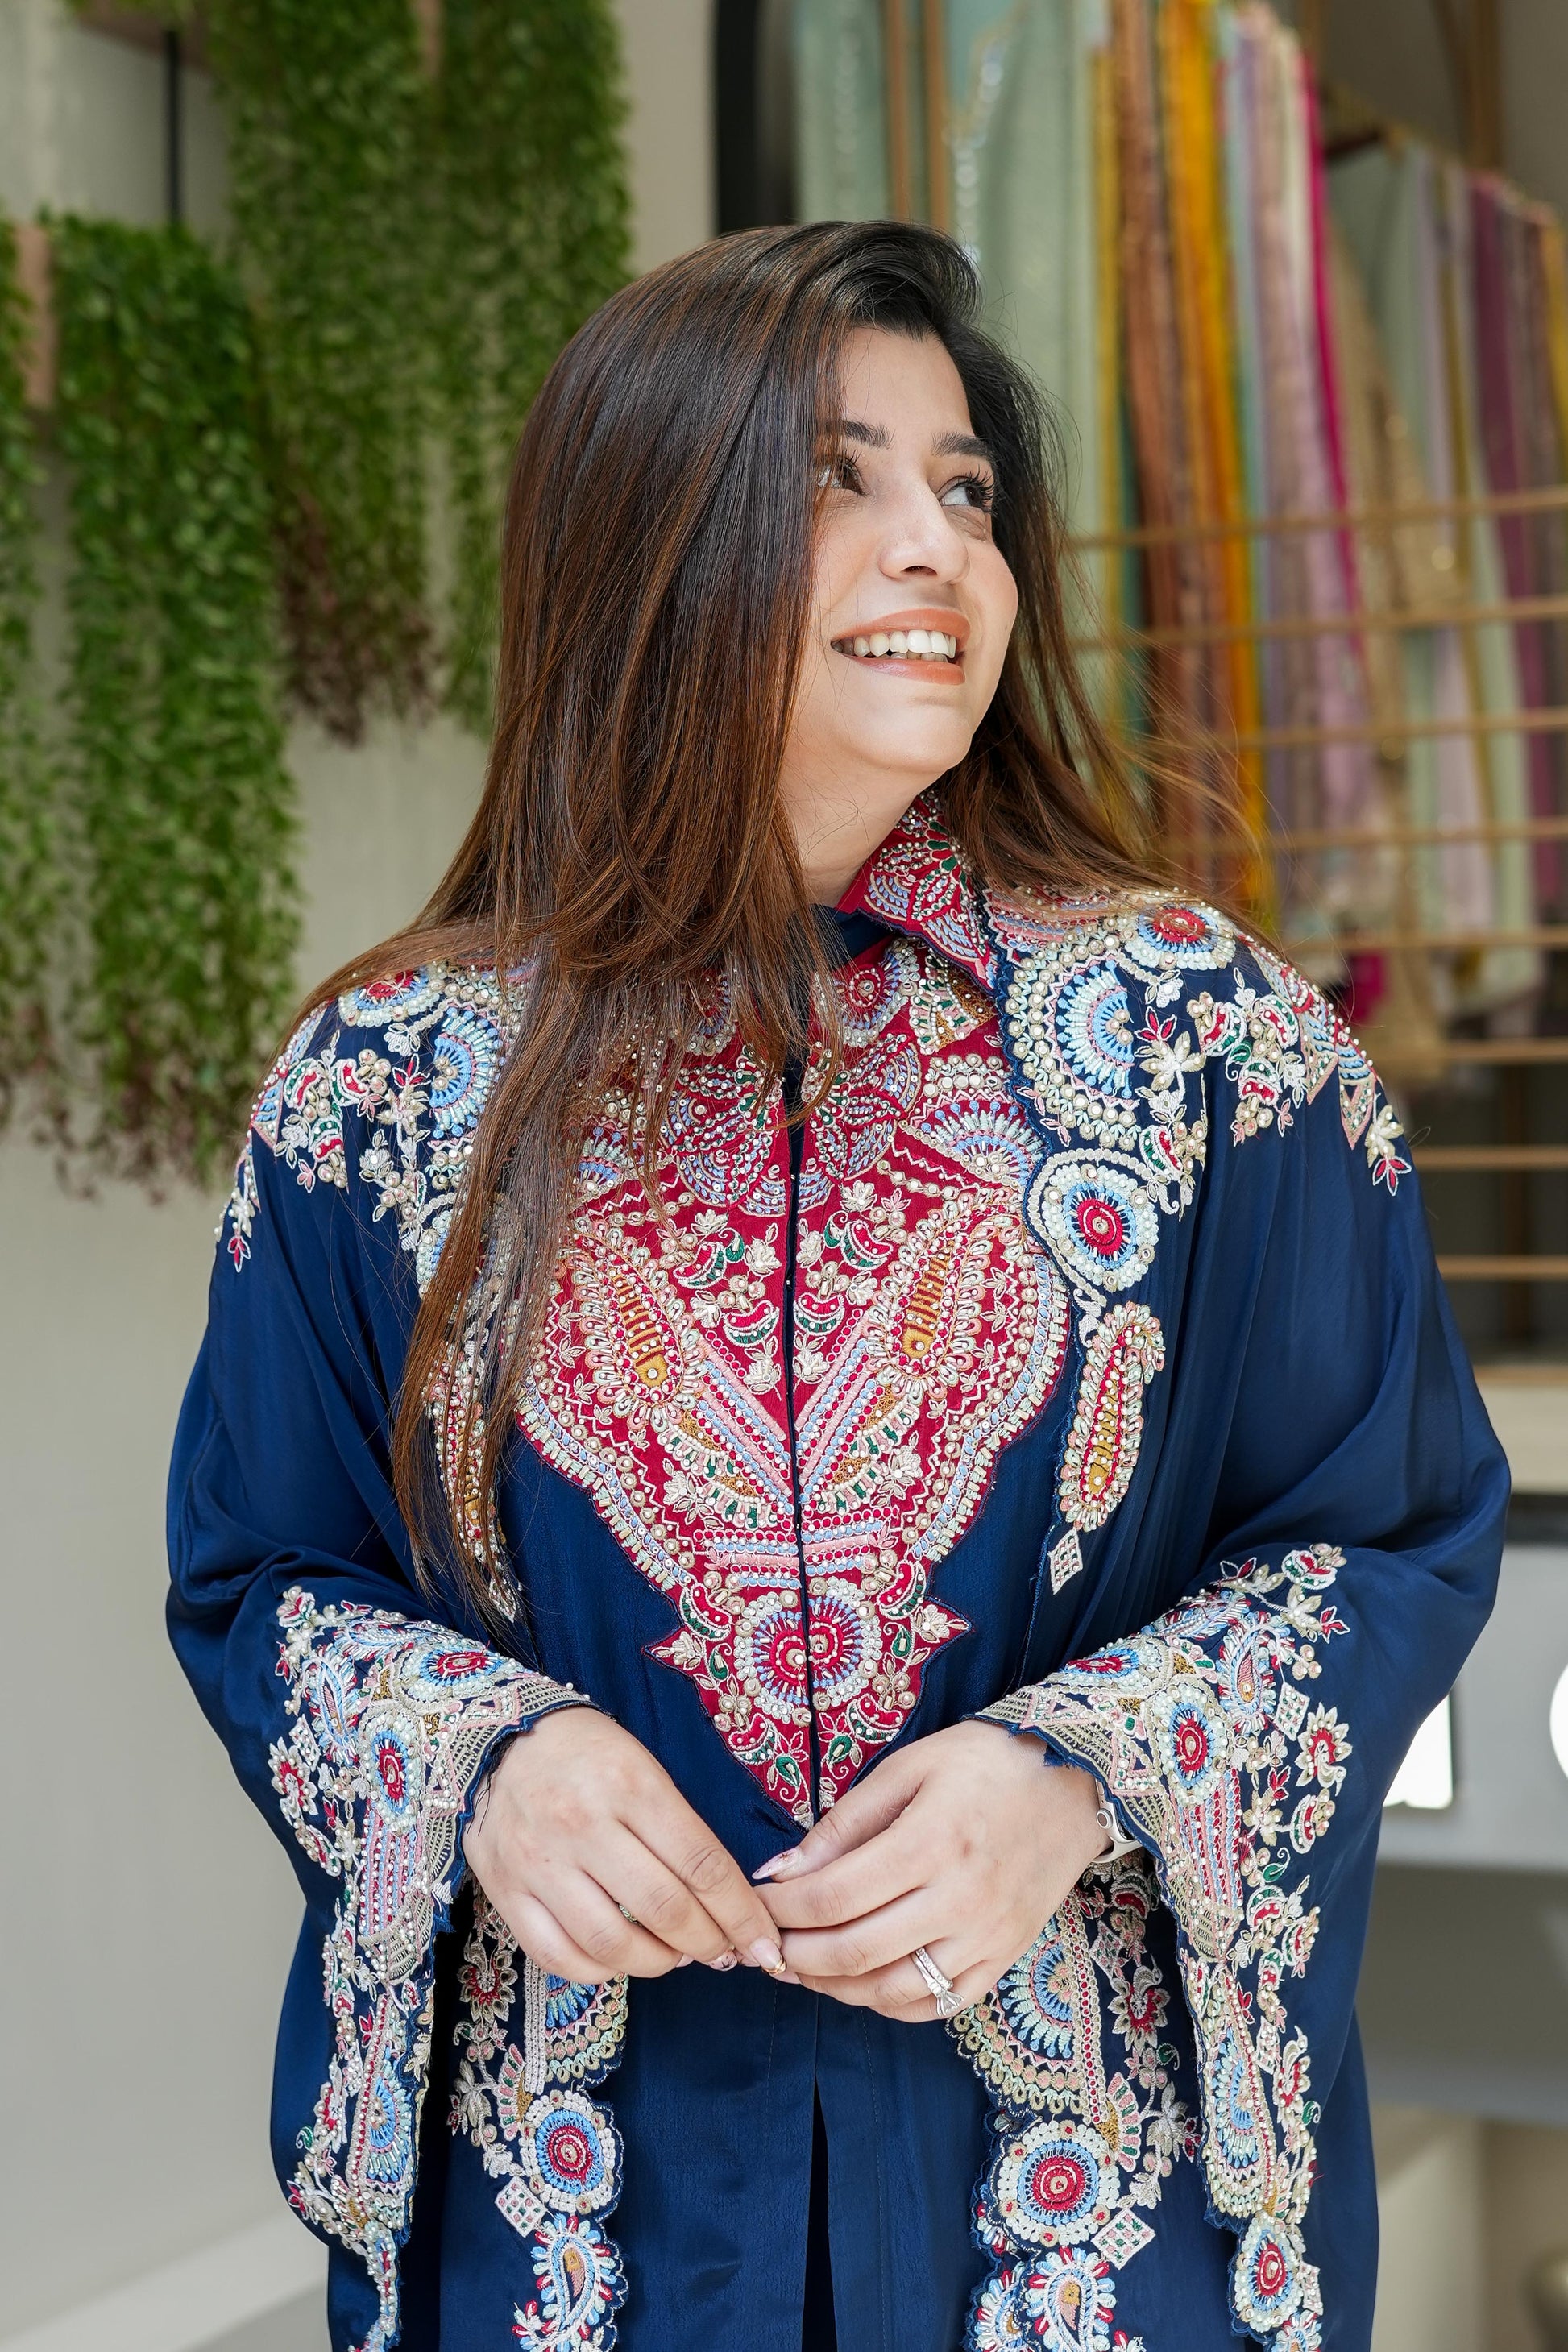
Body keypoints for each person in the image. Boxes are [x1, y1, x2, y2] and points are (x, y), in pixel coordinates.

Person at [168, 222, 1506, 2352]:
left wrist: (1081, 1773)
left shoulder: (1208, 1050)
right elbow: (263, 1573)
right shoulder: (385, 1088)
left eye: (964, 489)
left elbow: (1387, 1533)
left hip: (1086, 2225)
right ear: (645, 540)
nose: (935, 549)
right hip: (585, 2225)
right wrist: (480, 1762)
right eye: (835, 480)